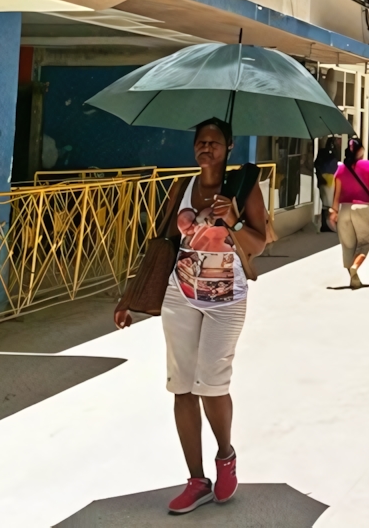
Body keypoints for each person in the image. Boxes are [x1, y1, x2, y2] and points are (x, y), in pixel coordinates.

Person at [114, 118, 269, 514]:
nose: (206, 148)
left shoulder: (242, 188)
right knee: (182, 386)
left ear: (230, 147)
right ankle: (197, 479)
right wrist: (129, 297)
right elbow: (161, 244)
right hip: (180, 295)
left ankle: (226, 455)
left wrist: (232, 220)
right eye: (201, 142)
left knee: (211, 384)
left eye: (215, 143)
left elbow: (259, 244)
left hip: (226, 299)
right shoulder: (182, 188)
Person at [331, 138, 369, 289]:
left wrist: (334, 211)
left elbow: (337, 193)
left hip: (344, 209)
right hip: (362, 208)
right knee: (365, 242)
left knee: (348, 245)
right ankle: (355, 267)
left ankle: (354, 280)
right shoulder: (368, 166)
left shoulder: (340, 169)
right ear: (360, 150)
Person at [314, 137, 339, 233]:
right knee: (328, 203)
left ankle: (325, 224)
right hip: (327, 178)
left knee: (327, 203)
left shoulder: (327, 153)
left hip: (328, 178)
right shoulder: (328, 153)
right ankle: (327, 224)